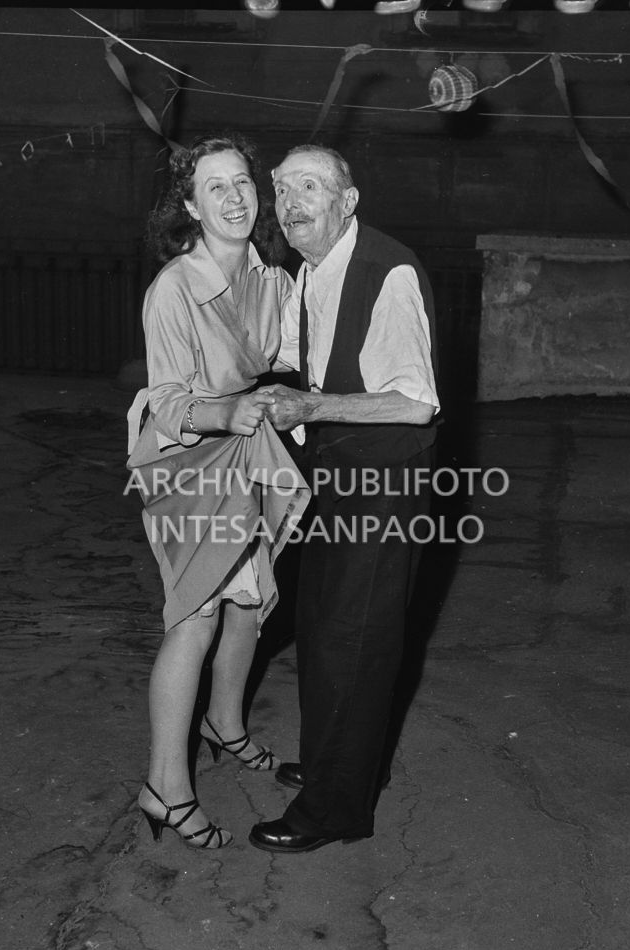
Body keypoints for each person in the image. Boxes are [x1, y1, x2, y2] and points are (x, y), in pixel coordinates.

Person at [249, 145, 439, 854]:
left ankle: (334, 811)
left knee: (351, 641)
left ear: (347, 202)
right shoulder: (311, 270)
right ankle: (340, 768)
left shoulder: (383, 273)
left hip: (381, 482)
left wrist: (310, 404)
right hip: (334, 474)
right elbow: (299, 363)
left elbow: (413, 404)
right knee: (324, 627)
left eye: (309, 188)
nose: (290, 204)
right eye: (281, 190)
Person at [125, 135, 309, 850]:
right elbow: (167, 402)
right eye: (216, 187)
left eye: (243, 183)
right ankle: (164, 787)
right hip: (187, 459)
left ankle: (223, 725)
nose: (235, 198)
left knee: (251, 606)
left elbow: (298, 360)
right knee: (195, 618)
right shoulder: (174, 288)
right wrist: (227, 409)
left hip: (247, 448)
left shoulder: (275, 280)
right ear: (191, 207)